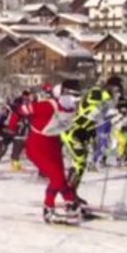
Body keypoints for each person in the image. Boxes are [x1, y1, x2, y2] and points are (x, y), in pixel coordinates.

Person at [26, 81, 83, 223]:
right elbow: (20, 110)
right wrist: (10, 128)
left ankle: (70, 203)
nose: (75, 100)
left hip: (54, 145)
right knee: (57, 178)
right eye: (72, 96)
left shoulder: (72, 110)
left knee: (61, 179)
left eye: (77, 97)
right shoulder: (48, 106)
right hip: (37, 146)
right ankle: (48, 208)